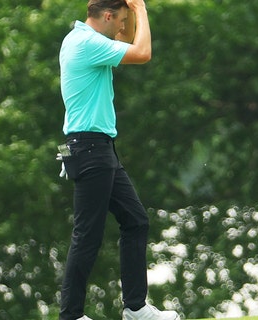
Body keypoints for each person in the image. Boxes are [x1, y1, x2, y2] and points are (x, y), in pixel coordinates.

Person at [57, 0, 179, 319]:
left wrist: (132, 15)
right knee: (88, 234)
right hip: (89, 149)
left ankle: (136, 308)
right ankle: (70, 315)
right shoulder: (86, 42)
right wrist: (141, 9)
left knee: (136, 220)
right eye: (121, 21)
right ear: (107, 16)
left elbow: (127, 43)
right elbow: (142, 53)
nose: (123, 28)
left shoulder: (85, 39)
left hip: (100, 148)